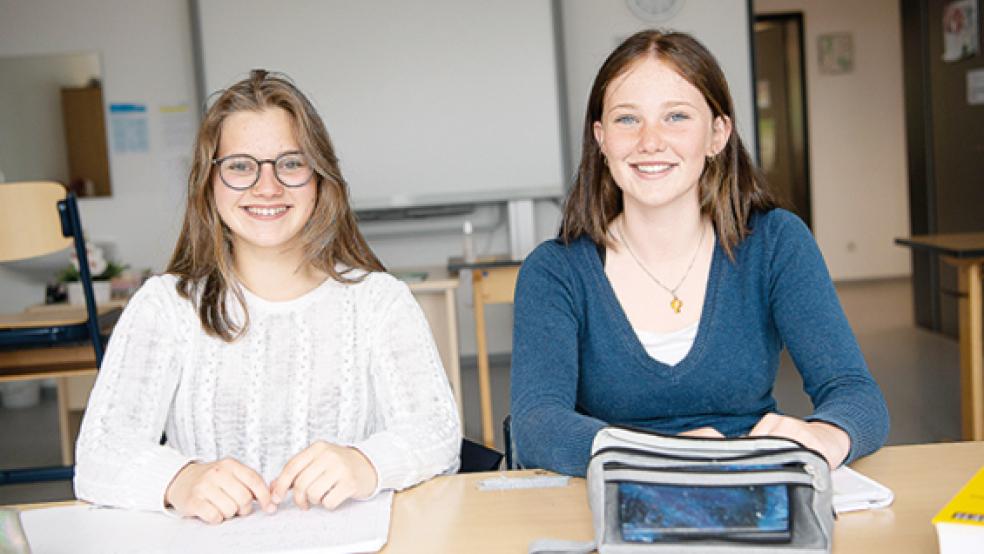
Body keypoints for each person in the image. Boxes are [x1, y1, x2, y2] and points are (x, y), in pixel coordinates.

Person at [74, 70, 461, 523]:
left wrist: (368, 463)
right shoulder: (165, 306)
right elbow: (100, 453)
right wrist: (180, 480)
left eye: (291, 163)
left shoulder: (380, 302)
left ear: (320, 178)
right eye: (240, 166)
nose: (267, 186)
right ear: (208, 183)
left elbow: (437, 432)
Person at [510, 30, 889, 476]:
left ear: (717, 134)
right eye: (627, 120)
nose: (650, 141)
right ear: (601, 139)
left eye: (676, 117)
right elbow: (536, 426)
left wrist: (825, 435)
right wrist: (656, 452)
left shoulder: (775, 243)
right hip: (620, 491)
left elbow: (855, 393)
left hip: (748, 488)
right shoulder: (555, 271)